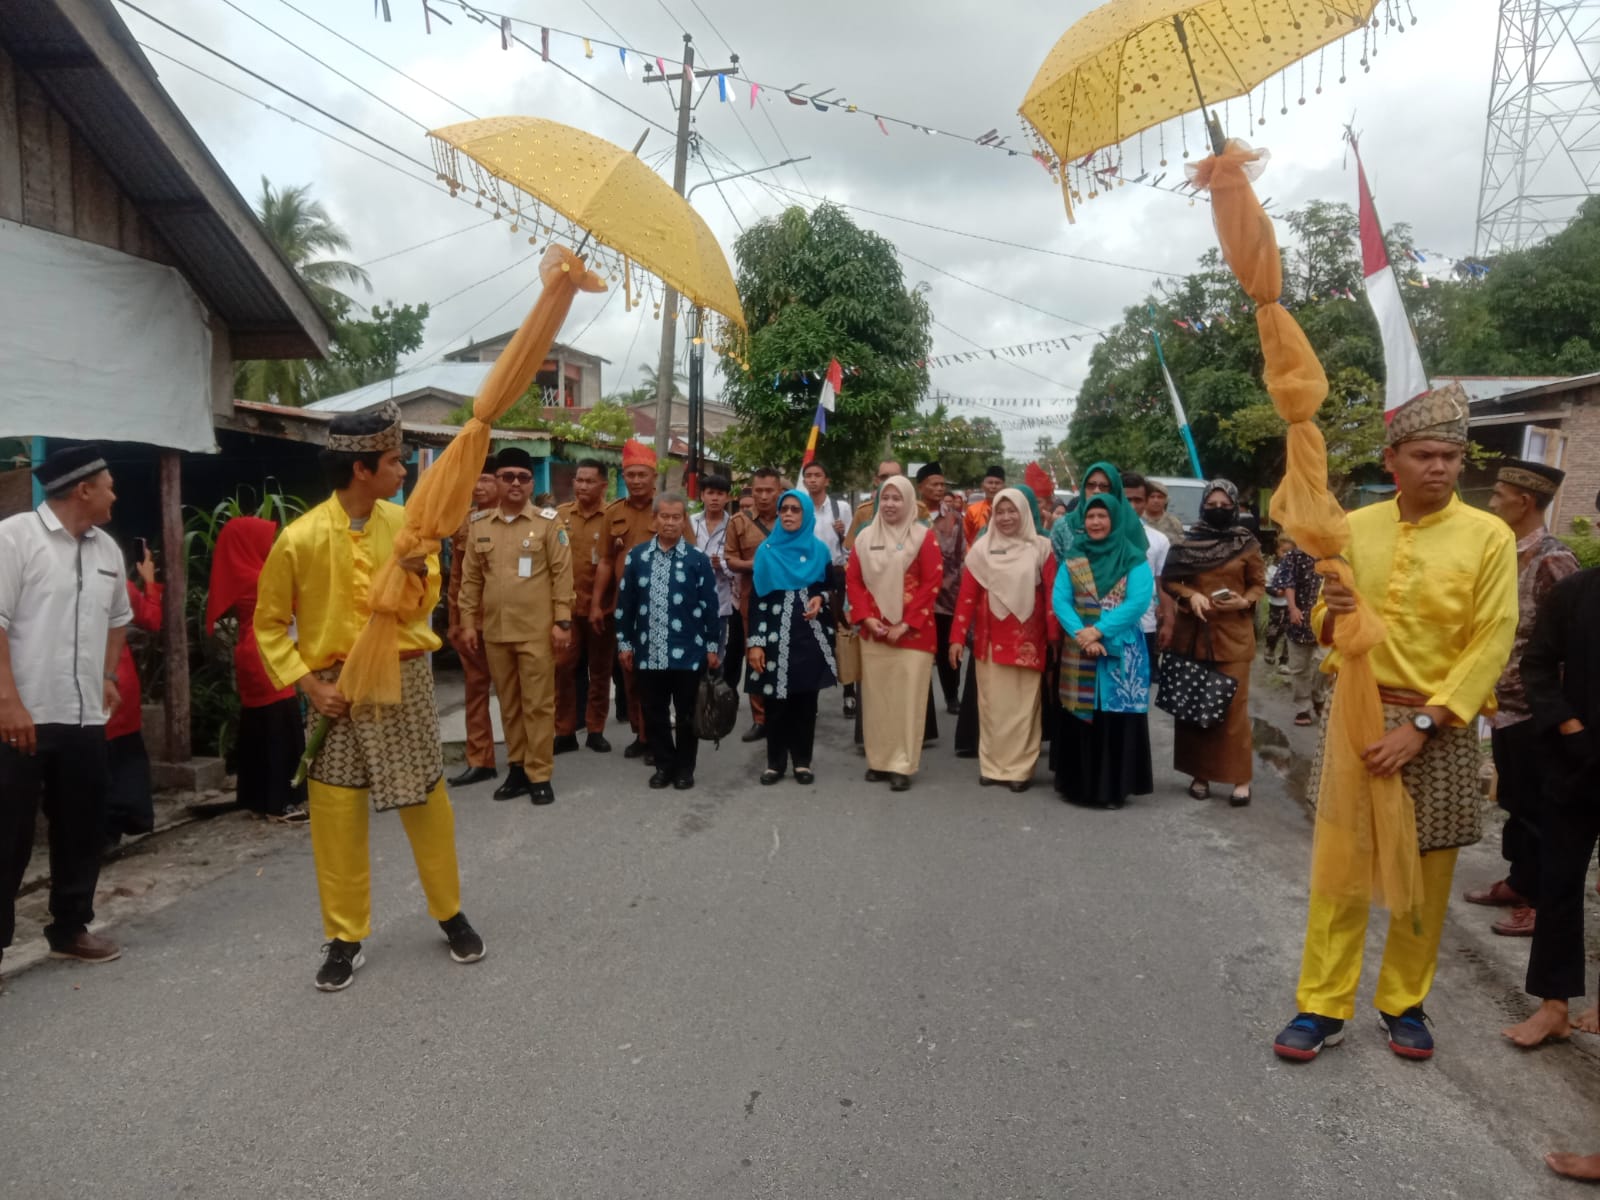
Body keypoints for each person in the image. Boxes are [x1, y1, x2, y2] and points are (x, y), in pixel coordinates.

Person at [1273, 384, 1516, 1062]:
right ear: (1393, 458)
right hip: (1356, 710)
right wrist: (1333, 608)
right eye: (1424, 455)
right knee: (1341, 865)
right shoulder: (1353, 527)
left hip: (1439, 721)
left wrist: (1428, 724)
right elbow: (1326, 628)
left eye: (1450, 456)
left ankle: (1403, 1000)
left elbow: (1493, 639)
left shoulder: (1489, 536)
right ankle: (1322, 1005)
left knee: (1428, 869)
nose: (1439, 467)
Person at [255, 402, 484, 992]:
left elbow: (420, 604)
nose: (404, 470)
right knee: (335, 813)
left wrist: (410, 570)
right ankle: (344, 937)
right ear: (361, 469)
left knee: (426, 801)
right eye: (393, 461)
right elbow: (270, 625)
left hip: (402, 680)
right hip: (332, 688)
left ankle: (449, 913)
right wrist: (309, 686)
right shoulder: (298, 539)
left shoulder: (408, 528)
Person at [0, 444, 132, 983]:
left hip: (83, 717)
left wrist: (107, 674)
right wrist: (7, 701)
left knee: (81, 825)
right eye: (109, 485)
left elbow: (119, 617)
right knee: (6, 834)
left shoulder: (107, 550)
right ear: (84, 490)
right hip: (21, 715)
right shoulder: (14, 538)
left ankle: (70, 928)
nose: (114, 495)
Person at [1503, 496, 1600, 1053]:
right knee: (1559, 883)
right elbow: (1537, 664)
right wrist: (1565, 723)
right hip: (1575, 761)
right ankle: (1554, 1006)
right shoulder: (1575, 595)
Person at [1465, 460, 1578, 938]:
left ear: (1524, 502)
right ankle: (1518, 880)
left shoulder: (1554, 561)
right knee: (1514, 798)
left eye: (1499, 495)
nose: (1491, 503)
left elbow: (1572, 646)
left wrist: (1562, 715)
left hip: (1536, 709)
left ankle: (1539, 902)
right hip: (1501, 702)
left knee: (1539, 807)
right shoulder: (1503, 552)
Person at [457, 446, 575, 806]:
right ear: (496, 480)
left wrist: (562, 622)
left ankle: (540, 774)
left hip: (537, 632)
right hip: (496, 631)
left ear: (530, 483)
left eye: (523, 478)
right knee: (509, 704)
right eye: (508, 476)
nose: (515, 483)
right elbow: (471, 580)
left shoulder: (548, 523)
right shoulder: (479, 526)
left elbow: (562, 575)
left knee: (538, 704)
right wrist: (467, 623)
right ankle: (517, 769)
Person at [1162, 479, 1266, 807]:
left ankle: (1241, 780)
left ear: (1234, 506)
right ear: (1203, 505)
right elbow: (1170, 580)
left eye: (1224, 505)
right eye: (1212, 504)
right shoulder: (1188, 542)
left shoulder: (1246, 542)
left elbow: (1258, 584)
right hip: (1193, 636)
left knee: (1233, 712)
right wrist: (1190, 595)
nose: (1217, 510)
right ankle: (1200, 775)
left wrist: (1244, 601)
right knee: (1196, 709)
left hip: (1233, 638)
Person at [1051, 485, 1156, 809]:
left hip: (1120, 649)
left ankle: (1113, 789)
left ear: (1116, 518)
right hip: (1079, 648)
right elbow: (1060, 599)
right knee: (1081, 715)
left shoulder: (1133, 557)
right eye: (1091, 516)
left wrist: (1097, 630)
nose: (1096, 522)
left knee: (1114, 718)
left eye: (1102, 516)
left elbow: (1138, 602)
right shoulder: (1074, 556)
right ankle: (1078, 786)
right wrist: (1081, 633)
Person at [948, 487, 1056, 792]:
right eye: (1000, 511)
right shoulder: (981, 549)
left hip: (1028, 641)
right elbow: (967, 597)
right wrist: (956, 638)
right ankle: (993, 766)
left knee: (1023, 708)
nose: (1006, 517)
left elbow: (1050, 596)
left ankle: (1020, 769)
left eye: (1013, 511)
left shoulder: (1041, 548)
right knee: (992, 706)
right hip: (989, 641)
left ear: (1024, 513)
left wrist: (1055, 638)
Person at [613, 492, 720, 791]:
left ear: (684, 520)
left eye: (676, 517)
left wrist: (712, 646)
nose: (670, 523)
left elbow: (710, 605)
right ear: (654, 520)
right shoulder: (637, 557)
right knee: (654, 712)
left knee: (687, 713)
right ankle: (664, 765)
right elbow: (626, 605)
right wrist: (625, 643)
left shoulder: (697, 559)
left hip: (689, 651)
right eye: (665, 517)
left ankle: (685, 768)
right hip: (648, 651)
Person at [591, 440, 689, 760]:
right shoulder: (613, 513)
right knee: (631, 673)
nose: (635, 480)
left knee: (661, 676)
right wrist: (596, 603)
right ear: (624, 475)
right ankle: (642, 733)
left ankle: (656, 735)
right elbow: (605, 561)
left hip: (665, 605)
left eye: (641, 475)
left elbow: (689, 557)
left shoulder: (668, 511)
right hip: (627, 605)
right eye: (630, 474)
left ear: (653, 475)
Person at [205, 516, 308, 820]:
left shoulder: (243, 574)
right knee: (279, 726)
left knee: (259, 726)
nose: (271, 545)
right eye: (265, 539)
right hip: (268, 655)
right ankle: (280, 801)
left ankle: (259, 798)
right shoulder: (260, 577)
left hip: (251, 655)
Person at [846, 476, 942, 792]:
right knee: (877, 700)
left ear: (909, 501)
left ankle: (902, 763)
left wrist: (907, 623)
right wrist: (866, 618)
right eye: (885, 498)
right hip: (875, 632)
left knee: (907, 701)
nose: (890, 504)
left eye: (896, 498)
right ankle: (879, 760)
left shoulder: (923, 537)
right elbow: (855, 582)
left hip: (914, 634)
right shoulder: (863, 538)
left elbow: (931, 584)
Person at [747, 489, 838, 785]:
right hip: (773, 636)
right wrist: (756, 643)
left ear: (806, 515)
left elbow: (829, 586)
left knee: (805, 703)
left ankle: (802, 762)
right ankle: (775, 763)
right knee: (775, 703)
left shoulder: (820, 550)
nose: (787, 514)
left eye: (795, 510)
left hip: (809, 635)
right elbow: (757, 600)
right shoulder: (766, 551)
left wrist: (820, 598)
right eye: (783, 509)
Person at [445, 458, 501, 787]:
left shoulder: (515, 520)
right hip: (471, 623)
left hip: (509, 623)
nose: (479, 487)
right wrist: (454, 622)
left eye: (486, 480)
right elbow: (456, 579)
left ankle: (525, 757)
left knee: (516, 692)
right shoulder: (463, 522)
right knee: (476, 691)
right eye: (474, 480)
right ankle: (480, 759)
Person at [554, 459, 616, 756]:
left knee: (600, 671)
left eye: (589, 481)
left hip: (601, 609)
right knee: (562, 668)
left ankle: (595, 729)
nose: (581, 486)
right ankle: (564, 730)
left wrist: (604, 604)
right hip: (567, 608)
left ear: (603, 485)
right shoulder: (560, 516)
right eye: (578, 480)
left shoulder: (613, 517)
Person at [105, 541, 163, 843]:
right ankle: (129, 819)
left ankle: (99, 832)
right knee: (125, 753)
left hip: (85, 683)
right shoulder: (122, 586)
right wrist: (150, 582)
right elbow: (152, 620)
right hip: (120, 676)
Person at [725, 466, 781, 742]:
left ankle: (785, 715)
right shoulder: (739, 522)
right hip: (752, 600)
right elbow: (730, 560)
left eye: (769, 491)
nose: (763, 496)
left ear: (779, 492)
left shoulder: (791, 518)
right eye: (758, 490)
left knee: (785, 656)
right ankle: (761, 718)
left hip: (787, 600)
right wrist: (759, 565)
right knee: (756, 656)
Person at [800, 460, 853, 716]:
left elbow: (851, 547)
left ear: (826, 480)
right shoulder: (800, 507)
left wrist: (843, 535)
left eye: (817, 475)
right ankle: (811, 695)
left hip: (836, 572)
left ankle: (849, 691)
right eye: (808, 475)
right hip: (809, 575)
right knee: (813, 632)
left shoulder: (840, 507)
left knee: (842, 630)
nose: (812, 480)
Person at [1270, 535, 1327, 727]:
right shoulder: (1294, 556)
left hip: (1328, 619)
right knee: (1299, 667)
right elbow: (1287, 582)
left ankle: (1318, 696)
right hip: (1299, 618)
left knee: (1325, 663)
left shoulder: (1335, 556)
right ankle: (1302, 707)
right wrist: (1293, 608)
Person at [1121, 472, 1175, 665]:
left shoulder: (1158, 540)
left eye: (1138, 500)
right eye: (1127, 499)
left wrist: (1168, 621)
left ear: (1145, 503)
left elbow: (1162, 582)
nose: (1132, 506)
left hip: (1145, 625)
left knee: (1140, 685)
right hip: (1107, 625)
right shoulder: (1101, 537)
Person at [931, 479, 967, 715]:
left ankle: (952, 696)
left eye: (941, 484)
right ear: (920, 486)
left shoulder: (955, 519)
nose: (938, 488)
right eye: (932, 484)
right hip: (914, 598)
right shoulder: (912, 516)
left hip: (947, 595)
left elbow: (961, 557)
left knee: (947, 647)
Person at [963, 465, 1006, 545]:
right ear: (982, 486)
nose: (993, 486)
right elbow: (966, 539)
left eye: (997, 483)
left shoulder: (1010, 510)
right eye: (990, 483)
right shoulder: (973, 510)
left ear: (1004, 487)